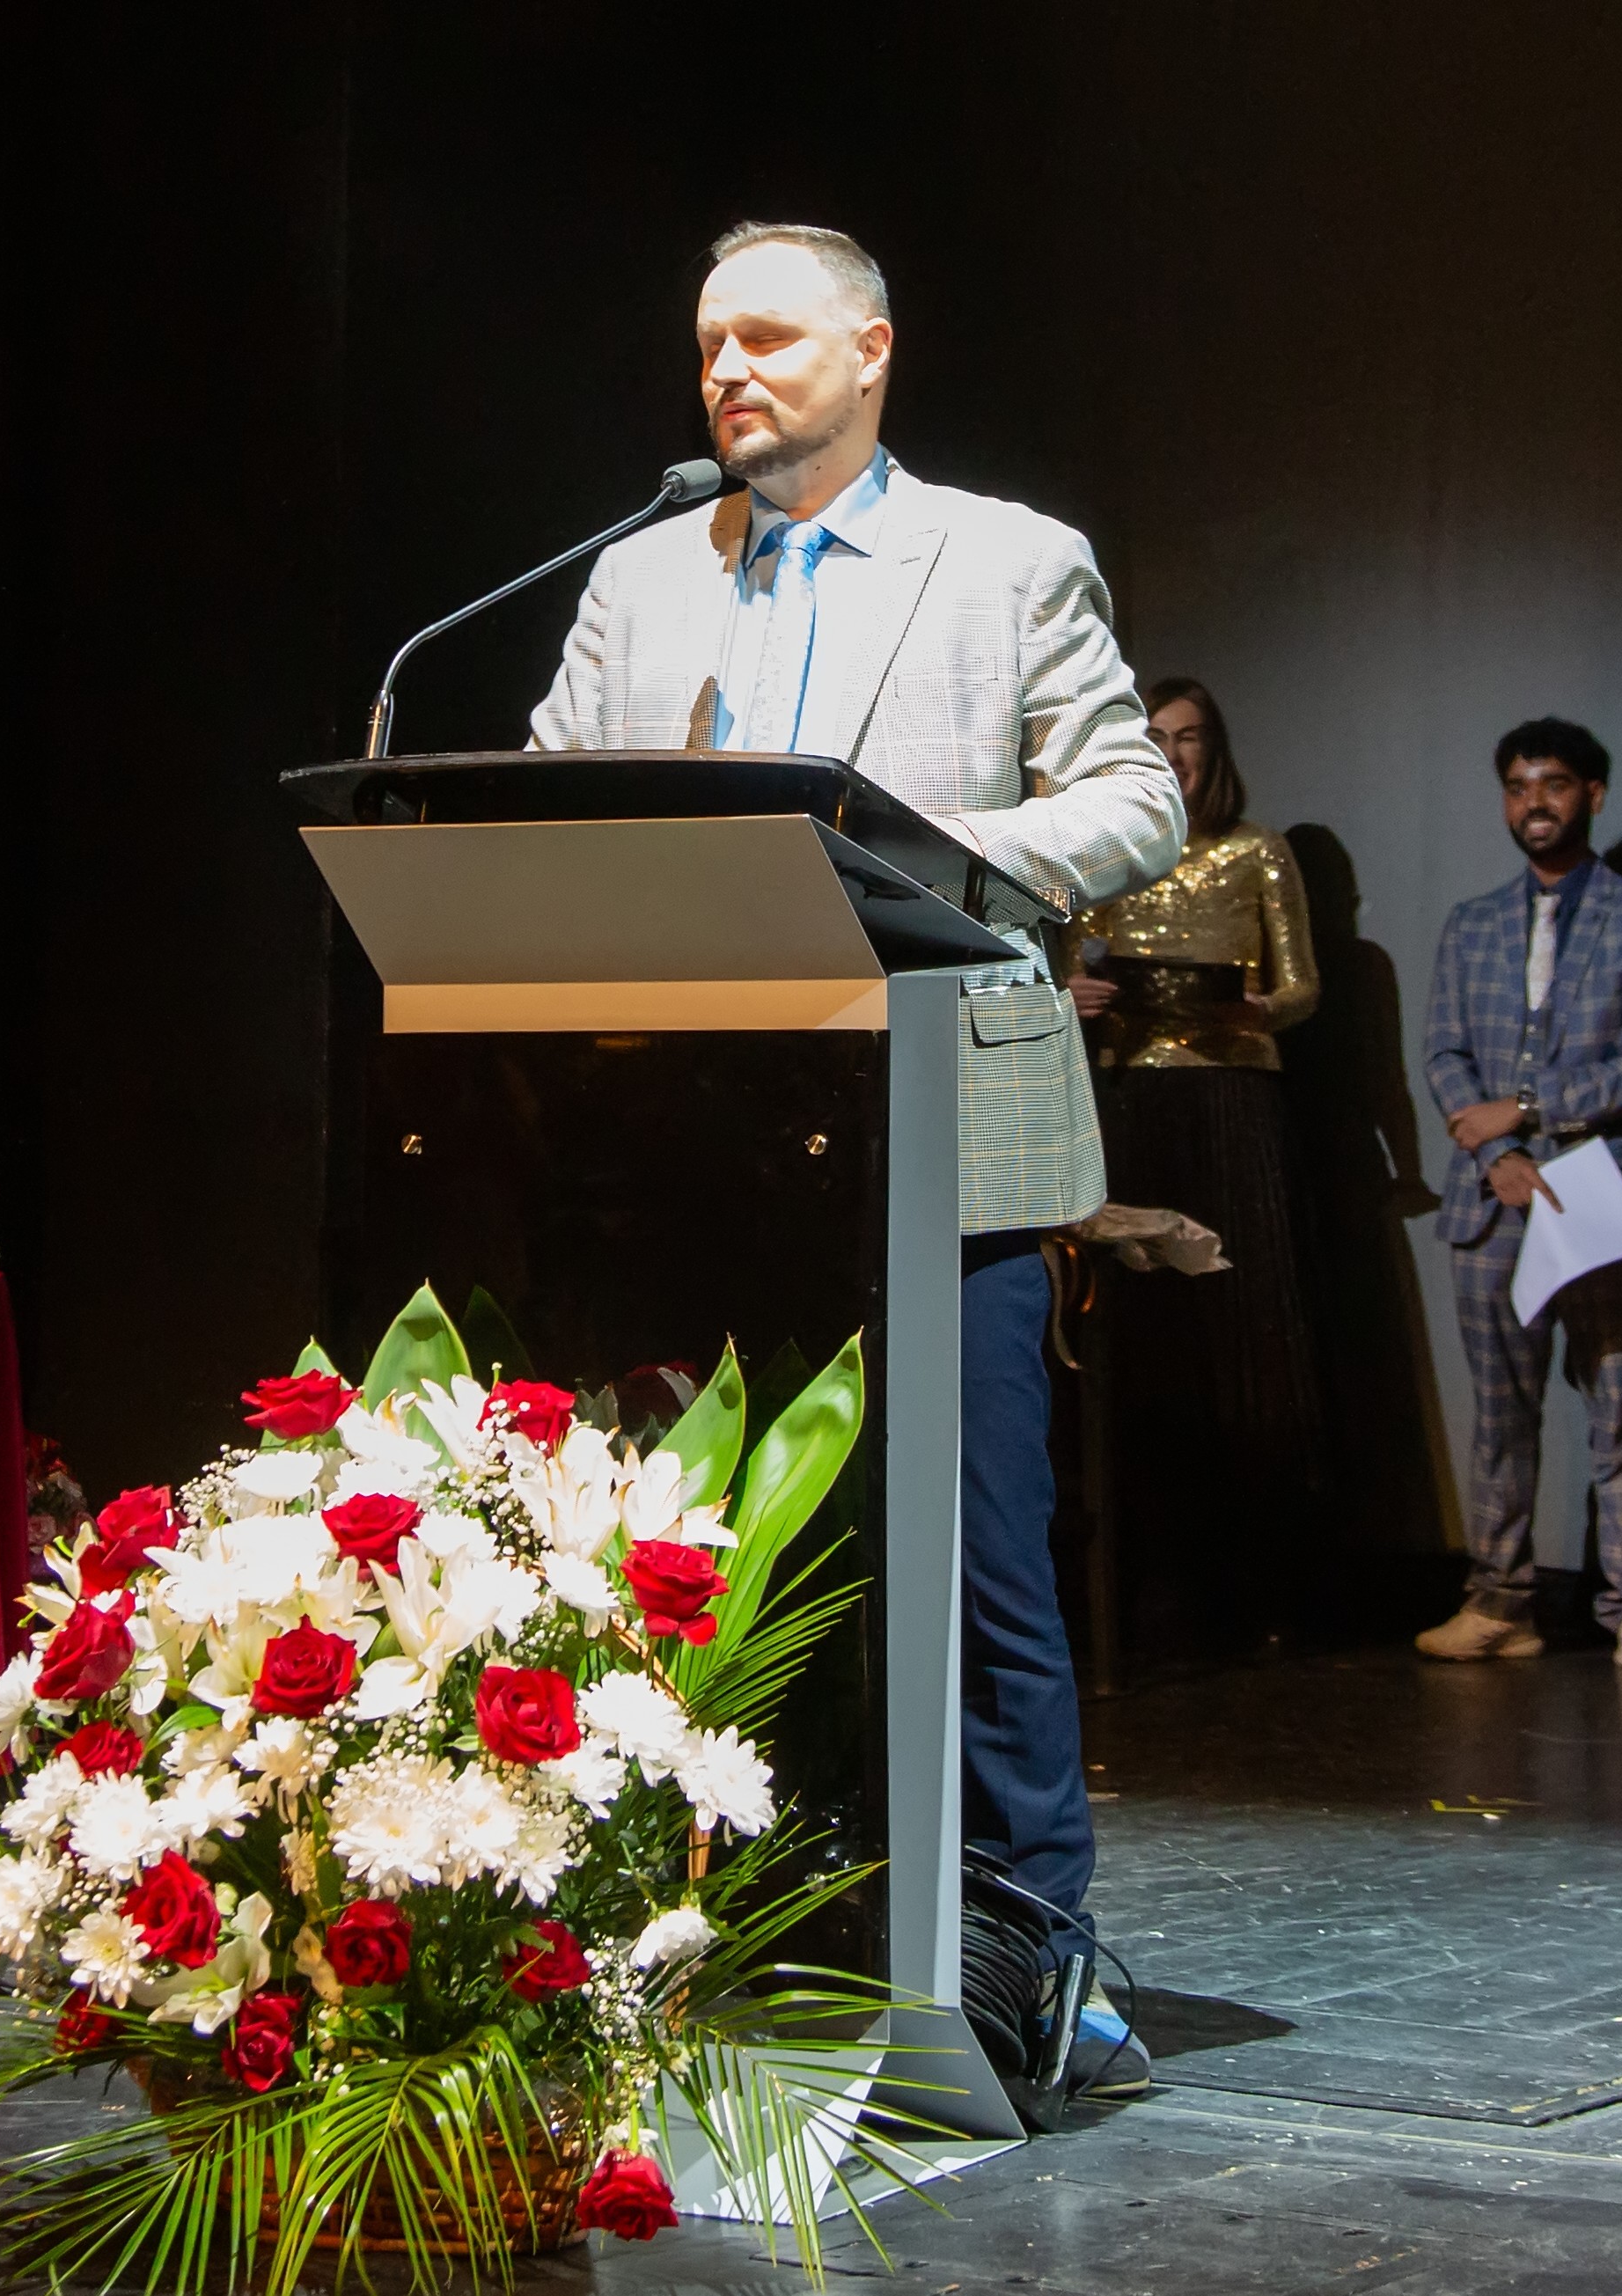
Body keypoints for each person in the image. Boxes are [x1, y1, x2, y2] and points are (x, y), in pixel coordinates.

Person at [529, 223, 1185, 2006]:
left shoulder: (1005, 557)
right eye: (705, 346)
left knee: (974, 1566)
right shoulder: (639, 579)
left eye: (763, 337)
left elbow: (1130, 799)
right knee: (699, 1563)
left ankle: (1035, 1965)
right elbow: (552, 798)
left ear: (871, 350)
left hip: (942, 1119)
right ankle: (731, 1934)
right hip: (691, 1133)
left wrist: (918, 858)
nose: (725, 371)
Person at [1415, 717, 1622, 1676]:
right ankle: (1499, 1600)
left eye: (1553, 784)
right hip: (1494, 1196)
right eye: (1516, 785)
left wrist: (1531, 1108)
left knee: (1621, 1404)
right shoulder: (1473, 923)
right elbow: (1445, 1053)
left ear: (1592, 794)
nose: (1533, 802)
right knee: (1500, 1413)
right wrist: (1498, 1147)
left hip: (1603, 1191)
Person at [1064, 679, 1326, 1644]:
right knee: (1145, 1339)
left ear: (1215, 750)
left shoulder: (1257, 850)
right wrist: (1073, 993)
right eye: (1157, 736)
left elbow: (1301, 988)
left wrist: (1256, 1009)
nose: (1174, 754)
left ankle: (1261, 1586)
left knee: (1242, 1332)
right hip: (1132, 1098)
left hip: (1230, 1099)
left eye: (1190, 737)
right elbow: (1064, 968)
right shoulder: (1107, 859)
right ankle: (1152, 1581)